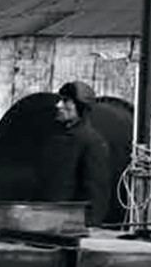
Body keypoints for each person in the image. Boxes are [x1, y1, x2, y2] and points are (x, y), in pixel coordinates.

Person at [39, 81, 113, 225]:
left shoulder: (93, 142)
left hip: (71, 227)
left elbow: (96, 196)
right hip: (50, 223)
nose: (58, 105)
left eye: (66, 101)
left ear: (81, 107)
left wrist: (86, 226)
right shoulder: (55, 139)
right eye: (60, 100)